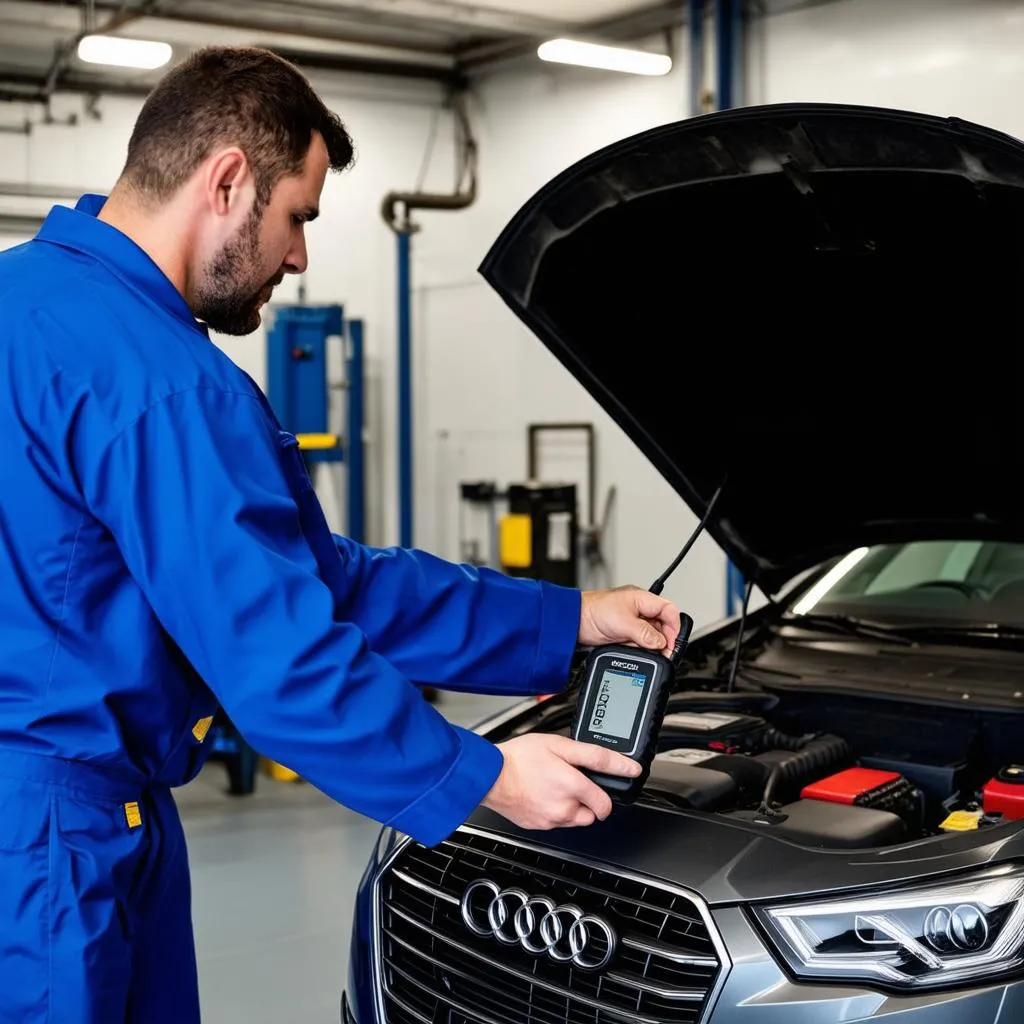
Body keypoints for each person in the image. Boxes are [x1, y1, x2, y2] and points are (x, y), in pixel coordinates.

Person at [0, 45, 683, 1024]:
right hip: (54, 848)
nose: (299, 257)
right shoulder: (161, 380)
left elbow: (322, 586)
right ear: (227, 179)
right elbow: (280, 655)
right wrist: (483, 774)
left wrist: (570, 616)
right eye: (298, 218)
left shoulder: (18, 302)